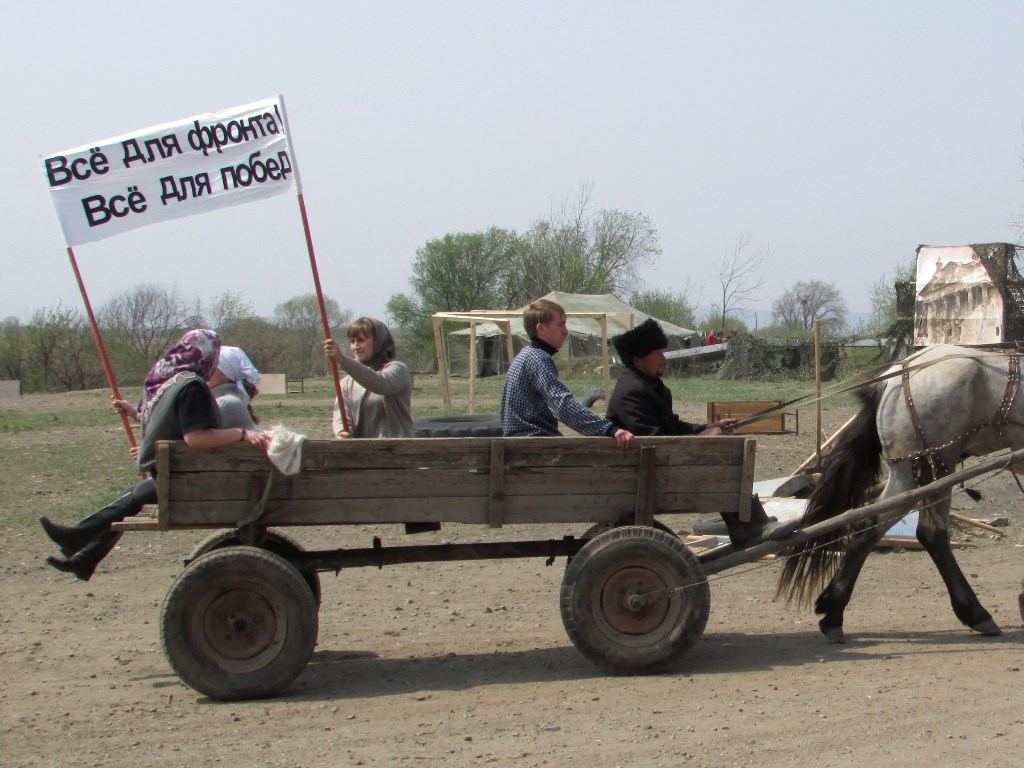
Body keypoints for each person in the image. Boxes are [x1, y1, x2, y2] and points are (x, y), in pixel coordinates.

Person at [39, 329, 271, 581]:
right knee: (133, 493)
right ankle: (85, 553)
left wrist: (240, 434)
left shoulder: (207, 393)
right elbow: (186, 429)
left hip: (208, 480)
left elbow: (195, 438)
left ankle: (78, 539)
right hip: (198, 473)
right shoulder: (196, 388)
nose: (213, 367)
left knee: (136, 494)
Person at [606, 318, 795, 547]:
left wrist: (709, 428)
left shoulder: (646, 385)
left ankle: (747, 525)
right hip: (649, 474)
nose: (663, 358)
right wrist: (702, 439)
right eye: (657, 353)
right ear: (638, 359)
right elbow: (655, 441)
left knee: (724, 455)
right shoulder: (632, 392)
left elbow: (673, 426)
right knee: (726, 461)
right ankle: (749, 527)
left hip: (658, 465)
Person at [500, 299, 633, 448]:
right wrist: (609, 429)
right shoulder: (538, 359)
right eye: (560, 324)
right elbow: (562, 405)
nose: (565, 331)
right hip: (533, 448)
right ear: (541, 329)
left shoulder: (525, 355)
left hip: (522, 446)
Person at [323, 317, 413, 438]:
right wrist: (342, 433)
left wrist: (343, 359)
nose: (356, 346)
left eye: (361, 340)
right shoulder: (347, 383)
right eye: (352, 341)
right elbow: (342, 415)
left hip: (397, 451)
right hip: (364, 452)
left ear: (377, 342)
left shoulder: (399, 370)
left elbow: (381, 383)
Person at [208, 345, 261, 429]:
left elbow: (194, 436)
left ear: (225, 374)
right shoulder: (230, 399)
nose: (203, 370)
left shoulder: (226, 403)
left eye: (211, 367)